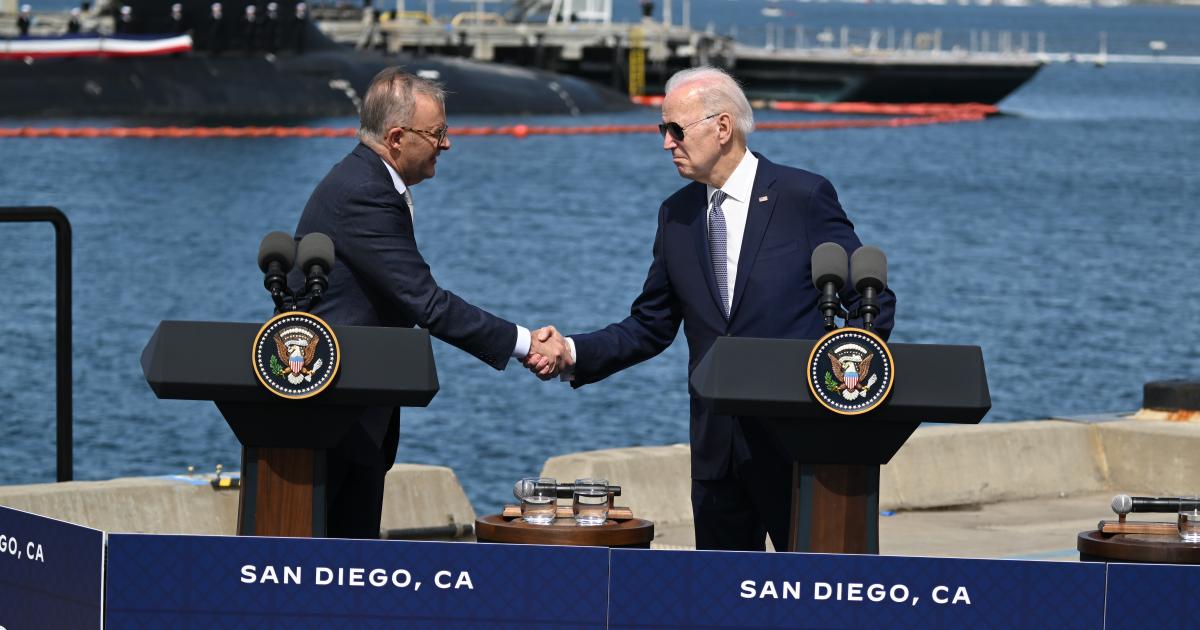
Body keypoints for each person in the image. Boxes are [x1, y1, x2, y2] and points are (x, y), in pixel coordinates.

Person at [526, 66, 896, 552]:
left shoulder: (802, 197)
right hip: (717, 453)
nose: (666, 143)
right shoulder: (676, 215)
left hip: (801, 449)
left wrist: (840, 392)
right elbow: (650, 325)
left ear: (722, 128)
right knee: (719, 592)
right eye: (662, 129)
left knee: (809, 587)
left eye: (675, 129)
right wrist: (572, 352)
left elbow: (871, 303)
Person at [293, 68, 572, 539]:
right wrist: (526, 344)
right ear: (396, 138)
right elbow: (427, 303)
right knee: (331, 556)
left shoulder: (366, 180)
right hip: (335, 415)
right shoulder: (364, 192)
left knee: (348, 556)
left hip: (352, 410)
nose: (447, 144)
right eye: (437, 133)